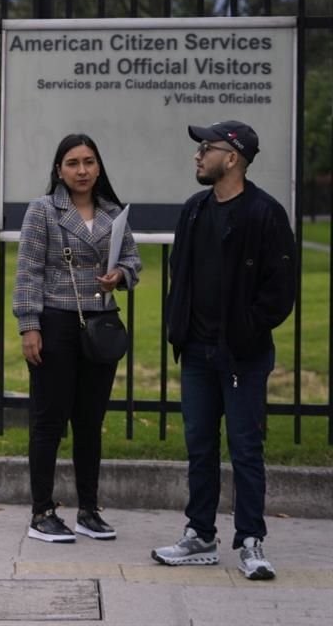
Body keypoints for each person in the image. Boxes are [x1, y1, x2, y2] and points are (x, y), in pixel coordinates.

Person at [151, 121, 295, 580]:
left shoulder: (265, 214)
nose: (197, 155)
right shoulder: (195, 210)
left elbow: (280, 290)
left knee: (246, 449)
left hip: (242, 355)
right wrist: (183, 328)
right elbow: (181, 273)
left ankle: (251, 541)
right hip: (196, 352)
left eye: (206, 148)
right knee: (199, 446)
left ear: (231, 158)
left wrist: (247, 332)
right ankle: (200, 535)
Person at [13, 134, 141, 543]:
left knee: (90, 421)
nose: (82, 170)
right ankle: (42, 511)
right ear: (59, 170)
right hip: (56, 322)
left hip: (100, 326)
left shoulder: (113, 212)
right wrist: (29, 325)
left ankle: (89, 509)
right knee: (49, 421)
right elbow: (28, 270)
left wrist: (120, 274)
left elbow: (133, 259)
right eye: (73, 163)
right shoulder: (43, 211)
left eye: (88, 162)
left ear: (98, 166)